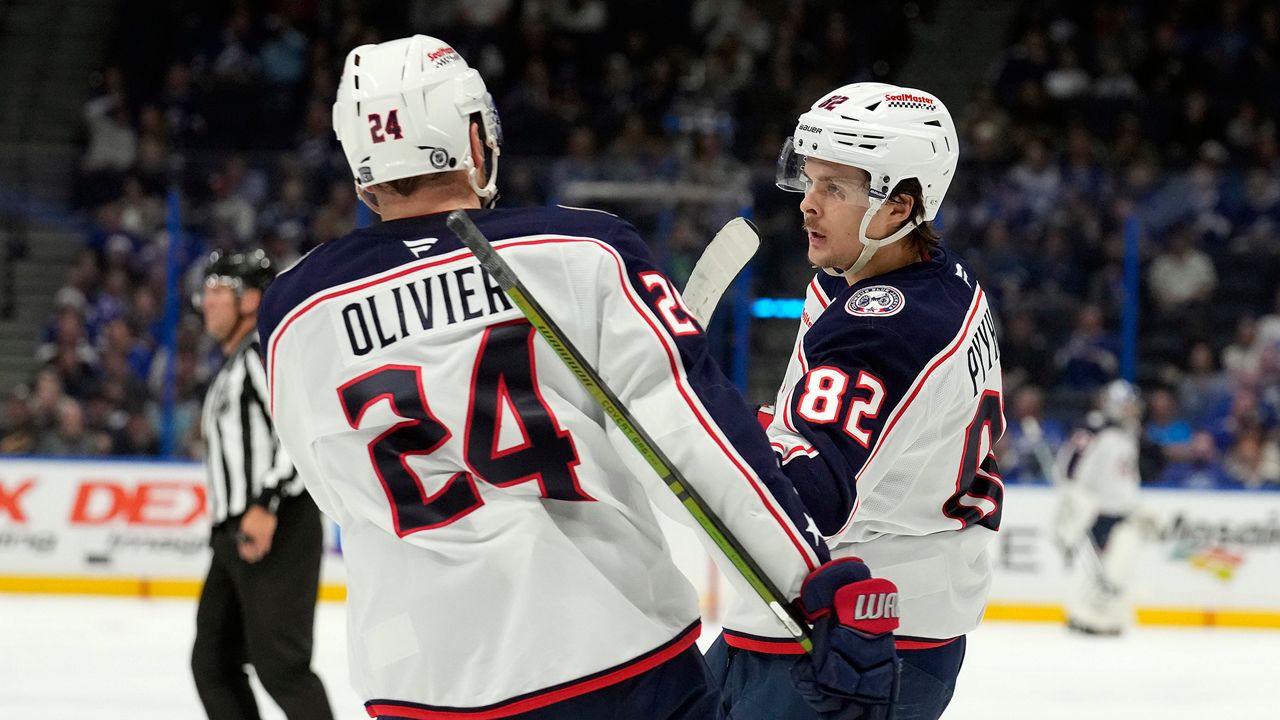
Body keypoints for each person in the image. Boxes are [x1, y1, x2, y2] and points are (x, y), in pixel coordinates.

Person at [259, 36, 899, 720]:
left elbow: (335, 487)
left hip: (417, 686)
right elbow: (695, 437)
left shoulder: (293, 311)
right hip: (607, 661)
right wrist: (808, 585)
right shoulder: (580, 251)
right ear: (474, 139)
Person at [706, 82, 1004, 720]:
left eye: (836, 188)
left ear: (900, 207)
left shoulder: (886, 322)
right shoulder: (915, 278)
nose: (808, 204)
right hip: (837, 621)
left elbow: (808, 500)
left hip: (850, 637)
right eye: (810, 180)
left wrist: (696, 410)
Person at [191, 249, 333, 720]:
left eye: (219, 290)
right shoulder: (234, 364)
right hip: (237, 532)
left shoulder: (260, 354)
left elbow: (300, 430)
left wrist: (266, 503)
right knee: (213, 663)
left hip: (274, 524)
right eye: (206, 291)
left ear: (251, 300)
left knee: (282, 668)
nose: (207, 302)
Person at [1052, 379, 1146, 635]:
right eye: (1126, 405)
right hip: (1099, 510)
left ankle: (1103, 616)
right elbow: (1070, 464)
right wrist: (1074, 497)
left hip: (1120, 509)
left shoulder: (1127, 432)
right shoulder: (1095, 428)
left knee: (1116, 567)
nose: (1131, 410)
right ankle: (1086, 615)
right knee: (1099, 568)